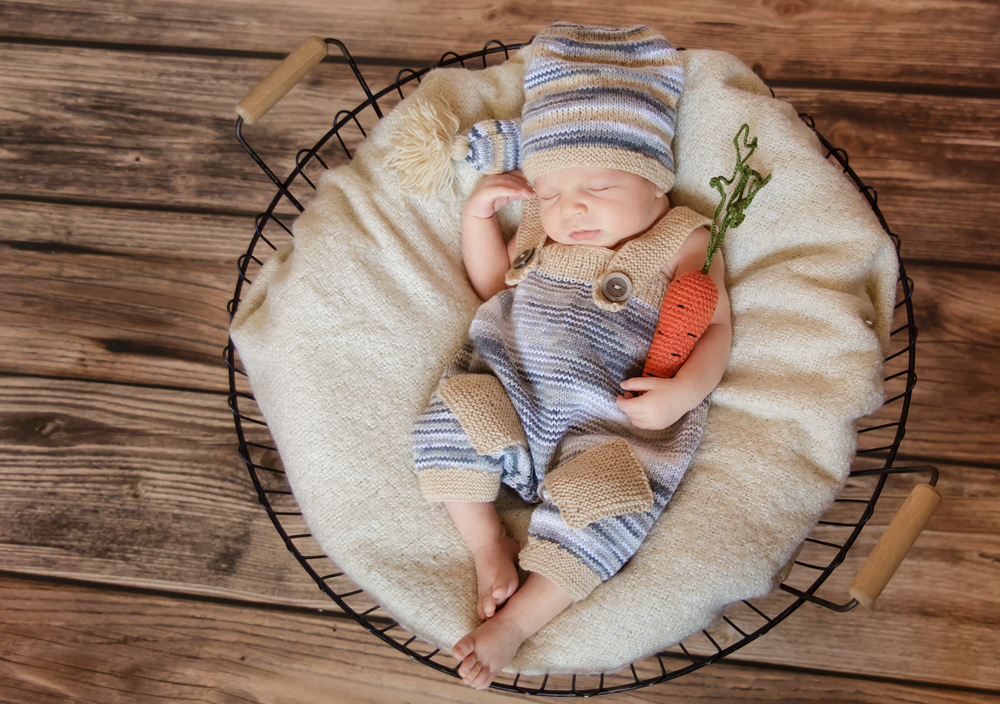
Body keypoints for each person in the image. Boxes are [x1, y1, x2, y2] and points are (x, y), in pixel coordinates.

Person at [410, 22, 732, 690]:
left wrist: (684, 392)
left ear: (656, 184)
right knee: (448, 418)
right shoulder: (540, 227)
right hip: (512, 391)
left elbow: (716, 327)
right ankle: (487, 544)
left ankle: (517, 622)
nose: (571, 205)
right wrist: (478, 219)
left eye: (601, 188)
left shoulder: (682, 239)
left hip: (609, 423)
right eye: (552, 191)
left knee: (609, 508)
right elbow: (492, 285)